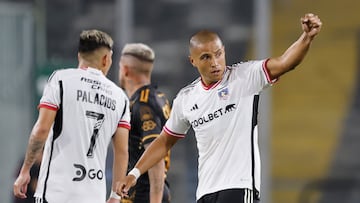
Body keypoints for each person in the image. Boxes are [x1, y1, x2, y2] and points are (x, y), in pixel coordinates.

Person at [119, 13, 323, 203]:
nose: (215, 62)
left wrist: (306, 37)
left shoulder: (245, 76)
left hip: (240, 187)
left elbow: (286, 62)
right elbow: (164, 141)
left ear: (224, 51)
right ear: (193, 61)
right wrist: (134, 174)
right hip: (206, 193)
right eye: (206, 57)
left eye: (218, 54)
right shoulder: (187, 98)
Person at [13, 29, 131, 203]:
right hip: (93, 196)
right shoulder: (120, 97)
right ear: (106, 59)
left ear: (79, 56)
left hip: (56, 193)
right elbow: (122, 152)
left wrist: (25, 170)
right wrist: (114, 196)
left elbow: (42, 129)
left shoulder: (60, 80)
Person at [118, 43, 172, 203]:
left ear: (125, 70)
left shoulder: (143, 104)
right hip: (150, 191)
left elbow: (156, 156)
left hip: (143, 194)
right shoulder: (159, 97)